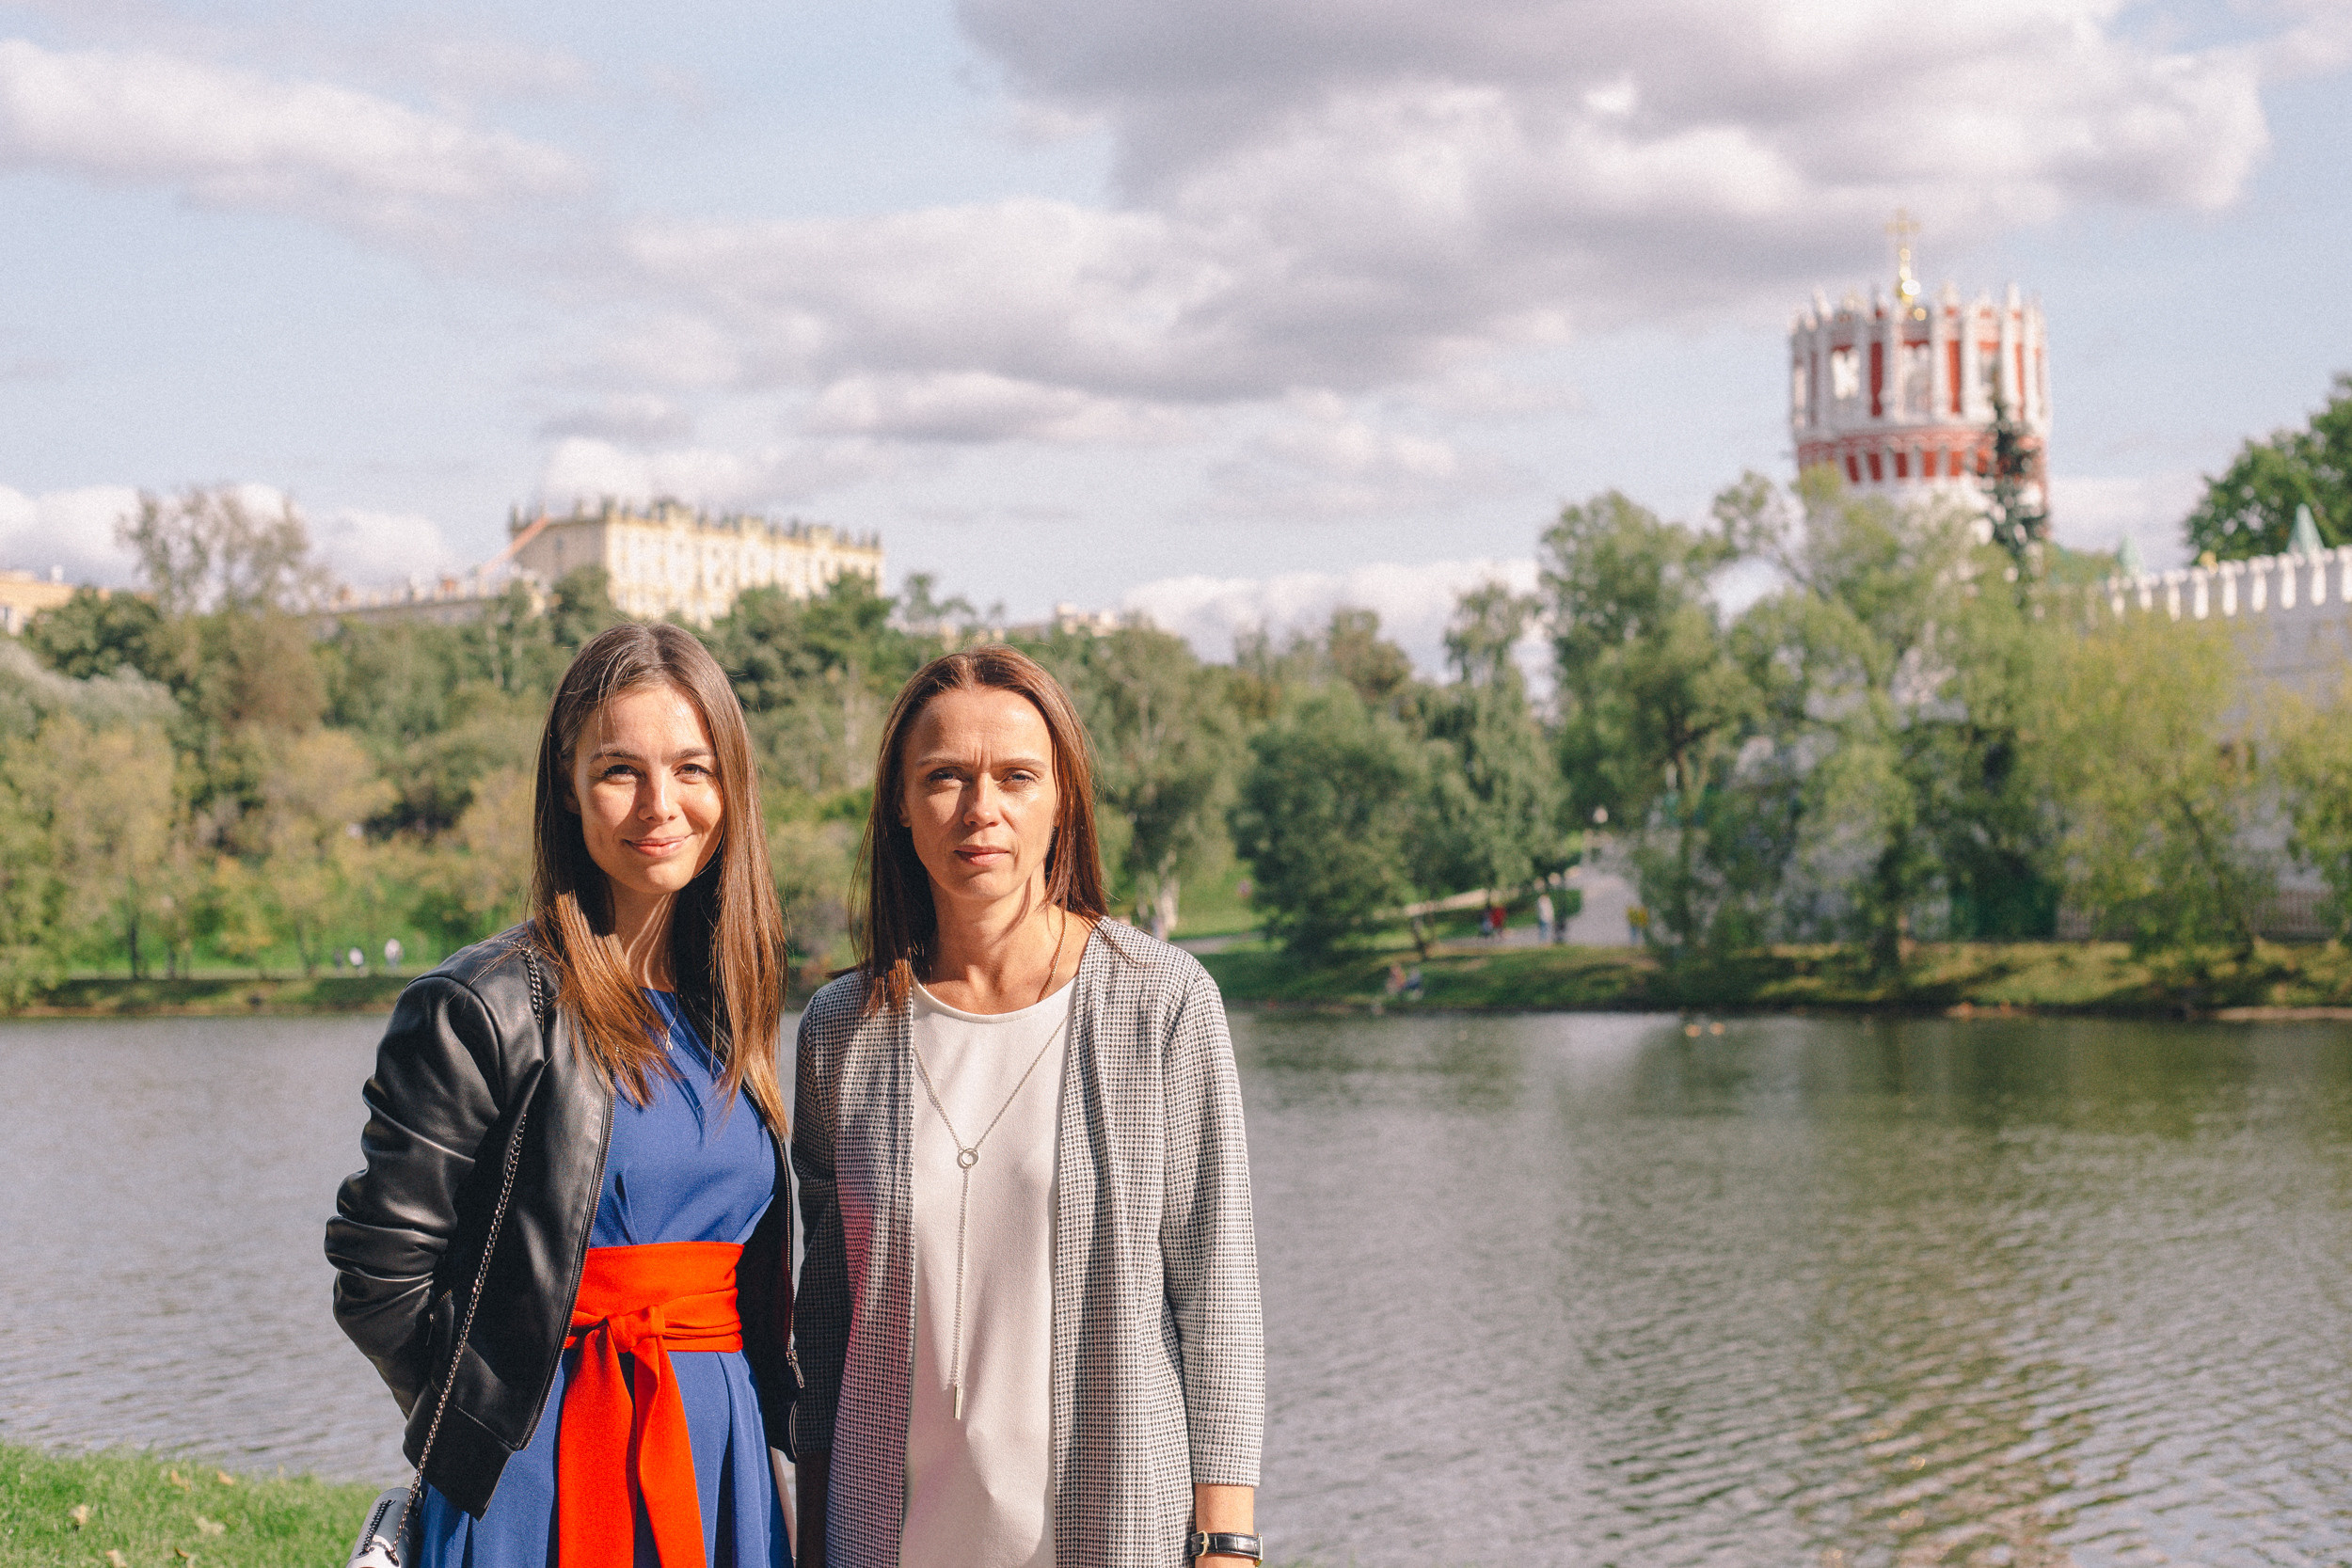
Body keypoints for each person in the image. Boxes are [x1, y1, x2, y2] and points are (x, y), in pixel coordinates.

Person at [326, 623, 797, 1568]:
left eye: (692, 768)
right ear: (569, 789)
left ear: (731, 785)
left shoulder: (736, 999)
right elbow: (378, 1270)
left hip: (720, 1443)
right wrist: (490, 1414)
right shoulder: (481, 1004)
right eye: (620, 770)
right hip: (540, 1468)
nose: (659, 805)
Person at [793, 645, 1264, 1568]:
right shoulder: (841, 1029)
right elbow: (823, 1318)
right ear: (900, 802)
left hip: (1113, 1534)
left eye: (1015, 775)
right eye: (944, 778)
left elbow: (1217, 1289)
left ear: (1062, 799)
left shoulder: (1161, 1001)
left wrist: (1228, 1541)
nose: (981, 809)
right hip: (888, 1539)